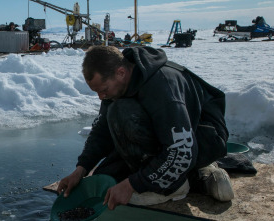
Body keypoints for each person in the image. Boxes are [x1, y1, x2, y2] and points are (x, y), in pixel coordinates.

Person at [57, 46, 234, 210]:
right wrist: (81, 169)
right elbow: (101, 131)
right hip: (171, 135)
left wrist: (133, 185)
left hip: (203, 138)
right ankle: (195, 175)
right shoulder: (118, 84)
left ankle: (175, 186)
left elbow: (181, 149)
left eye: (103, 90)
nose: (101, 97)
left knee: (123, 112)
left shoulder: (163, 86)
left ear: (120, 72)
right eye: (96, 92)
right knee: (106, 174)